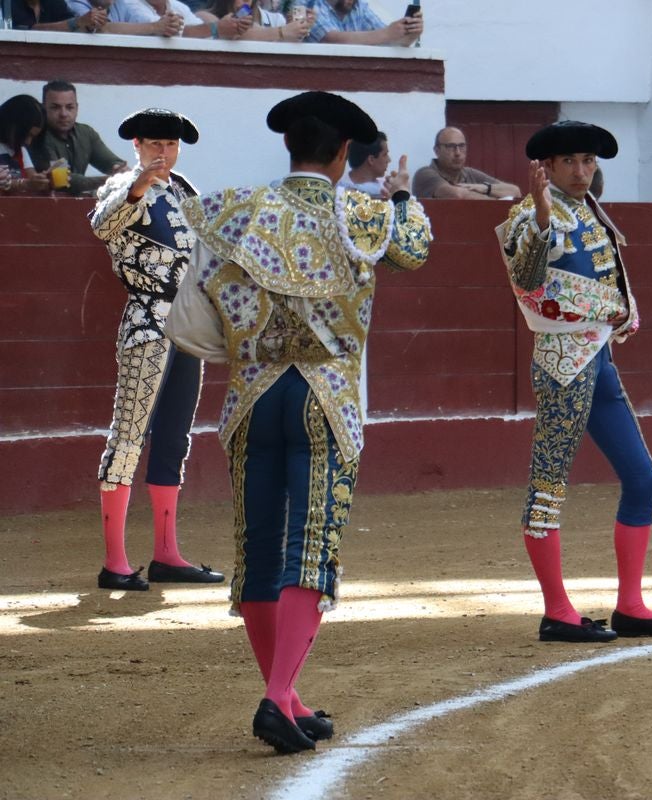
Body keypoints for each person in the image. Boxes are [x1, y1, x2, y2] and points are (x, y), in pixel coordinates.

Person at [164, 91, 432, 754]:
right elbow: (417, 249)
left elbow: (195, 301)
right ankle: (275, 695)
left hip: (252, 397)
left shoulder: (234, 209)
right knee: (308, 548)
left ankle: (285, 696)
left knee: (258, 550)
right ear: (344, 154)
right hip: (325, 398)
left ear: (290, 147)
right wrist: (399, 195)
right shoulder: (361, 212)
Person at [496, 120, 652, 644]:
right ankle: (557, 612)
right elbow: (528, 281)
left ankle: (631, 605)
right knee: (548, 485)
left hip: (598, 357)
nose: (582, 171)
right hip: (562, 361)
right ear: (548, 168)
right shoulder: (528, 215)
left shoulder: (587, 210)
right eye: (571, 163)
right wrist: (539, 215)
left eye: (589, 161)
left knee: (644, 479)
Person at [89, 108, 223, 592]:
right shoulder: (122, 186)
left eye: (170, 145)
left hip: (187, 324)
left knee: (173, 438)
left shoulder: (184, 189)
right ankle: (115, 561)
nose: (163, 153)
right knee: (127, 435)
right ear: (138, 145)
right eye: (154, 144)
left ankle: (167, 554)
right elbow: (104, 227)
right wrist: (139, 184)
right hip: (147, 322)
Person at [29, 81, 128, 196]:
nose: (64, 114)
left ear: (77, 108)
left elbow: (111, 161)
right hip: (44, 206)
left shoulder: (86, 133)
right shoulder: (38, 136)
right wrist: (109, 180)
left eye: (69, 107)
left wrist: (119, 170)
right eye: (55, 107)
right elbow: (61, 180)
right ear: (44, 108)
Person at [411, 127, 521, 200]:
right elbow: (457, 195)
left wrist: (485, 188)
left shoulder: (470, 173)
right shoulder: (425, 174)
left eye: (461, 146)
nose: (458, 153)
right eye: (450, 147)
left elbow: (515, 191)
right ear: (437, 150)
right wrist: (497, 201)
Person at [108, 0, 252, 37]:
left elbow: (200, 31)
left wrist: (231, 26)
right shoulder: (130, 3)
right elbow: (171, 31)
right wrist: (216, 28)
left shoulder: (177, 6)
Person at [306, 0, 421, 45]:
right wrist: (388, 33)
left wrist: (409, 34)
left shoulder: (359, 6)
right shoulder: (311, 4)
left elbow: (389, 43)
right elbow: (333, 39)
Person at [0, 95, 51, 195]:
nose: (28, 142)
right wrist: (25, 184)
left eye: (33, 137)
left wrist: (42, 182)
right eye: (26, 135)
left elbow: (32, 179)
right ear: (11, 124)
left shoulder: (20, 149)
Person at [196, 0, 311, 40]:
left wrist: (299, 29)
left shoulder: (275, 19)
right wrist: (282, 32)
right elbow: (236, 34)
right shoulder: (204, 16)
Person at [339, 131, 390, 197]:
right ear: (371, 160)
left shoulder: (387, 189)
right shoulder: (338, 188)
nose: (389, 160)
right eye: (385, 154)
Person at [9, 0, 106, 30]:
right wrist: (77, 23)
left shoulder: (53, 2)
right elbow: (25, 29)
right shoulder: (8, 3)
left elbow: (75, 24)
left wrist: (92, 23)